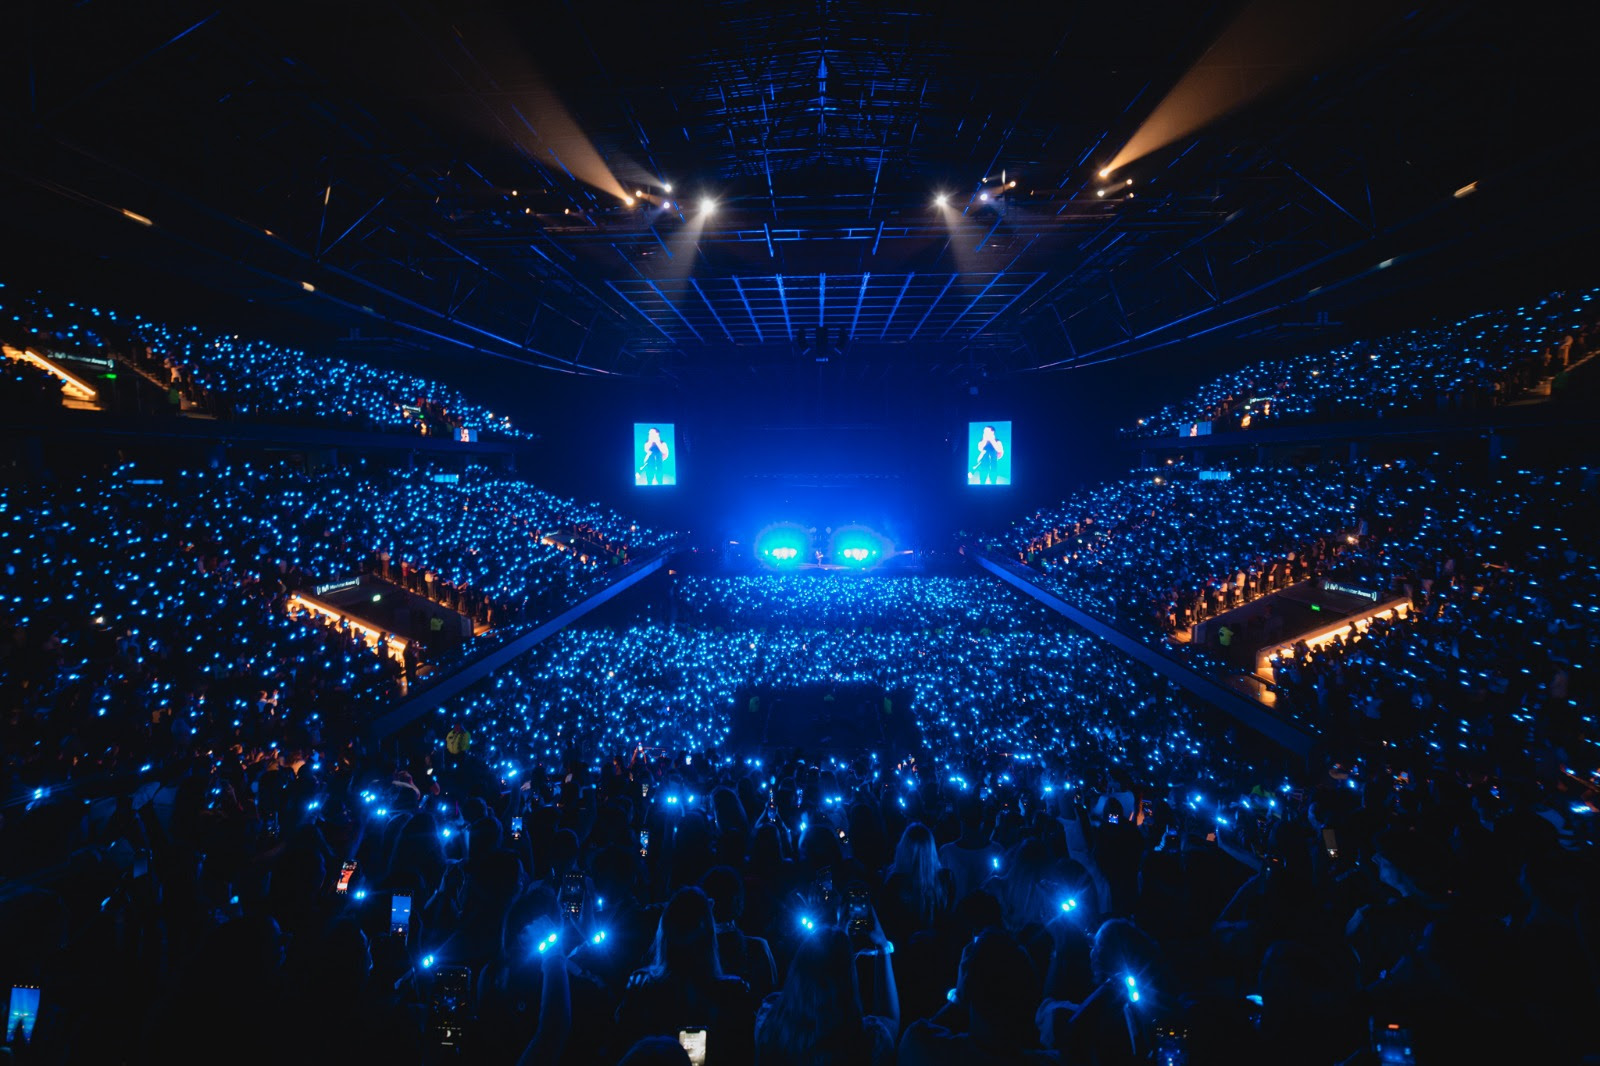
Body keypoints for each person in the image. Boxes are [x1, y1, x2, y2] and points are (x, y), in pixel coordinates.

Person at [755, 926, 897, 1065]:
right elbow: (890, 1020)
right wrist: (882, 945)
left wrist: (831, 943)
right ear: (849, 977)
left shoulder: (768, 1019)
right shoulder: (869, 1041)